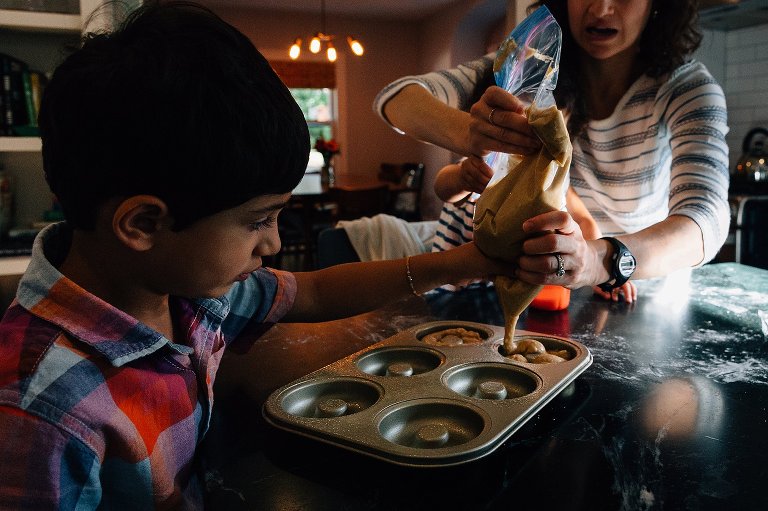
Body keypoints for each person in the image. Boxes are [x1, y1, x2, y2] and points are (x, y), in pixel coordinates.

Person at [0, 2, 519, 509]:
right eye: (257, 221)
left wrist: (469, 262)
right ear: (143, 224)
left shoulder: (182, 291)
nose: (272, 245)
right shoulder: (42, 411)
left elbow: (314, 289)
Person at [374, 0, 730, 304]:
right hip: (553, 301)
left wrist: (598, 262)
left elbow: (706, 220)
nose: (602, 8)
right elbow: (396, 97)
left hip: (639, 306)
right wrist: (470, 133)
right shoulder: (527, 66)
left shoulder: (686, 89)